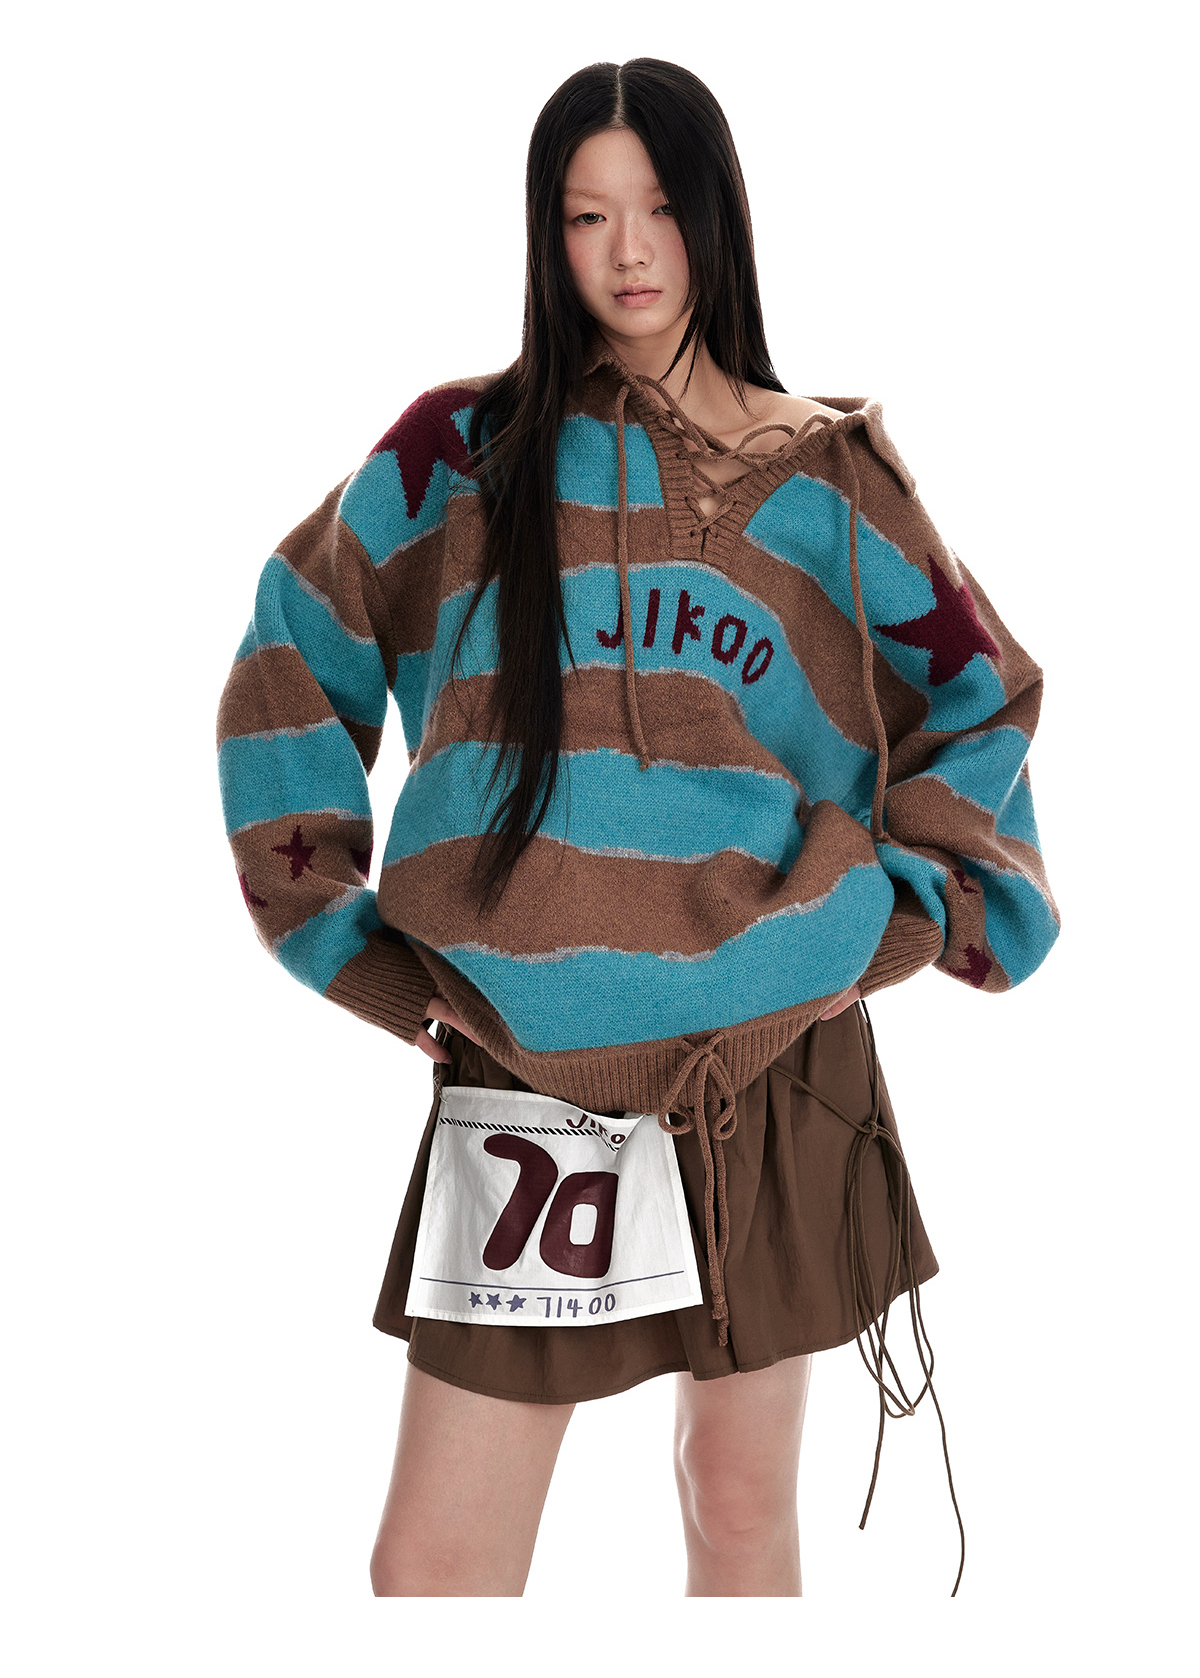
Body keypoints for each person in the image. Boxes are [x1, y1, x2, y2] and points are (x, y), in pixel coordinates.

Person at [216, 58, 1058, 1598]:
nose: (627, 252)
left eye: (660, 207)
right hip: (526, 1074)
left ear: (716, 214)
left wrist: (900, 913)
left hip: (778, 1052)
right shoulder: (459, 455)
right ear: (547, 235)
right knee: (438, 1564)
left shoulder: (827, 479)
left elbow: (980, 694)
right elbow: (296, 638)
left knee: (738, 1507)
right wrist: (357, 949)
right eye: (585, 214)